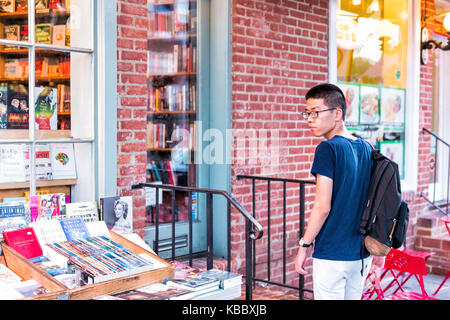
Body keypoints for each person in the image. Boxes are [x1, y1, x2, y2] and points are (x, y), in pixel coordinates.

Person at [294, 83, 374, 300]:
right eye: (307, 113)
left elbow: (322, 208)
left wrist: (304, 244)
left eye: (315, 113)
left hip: (332, 253)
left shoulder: (327, 149)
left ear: (337, 113)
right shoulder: (367, 148)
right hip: (361, 254)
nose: (310, 119)